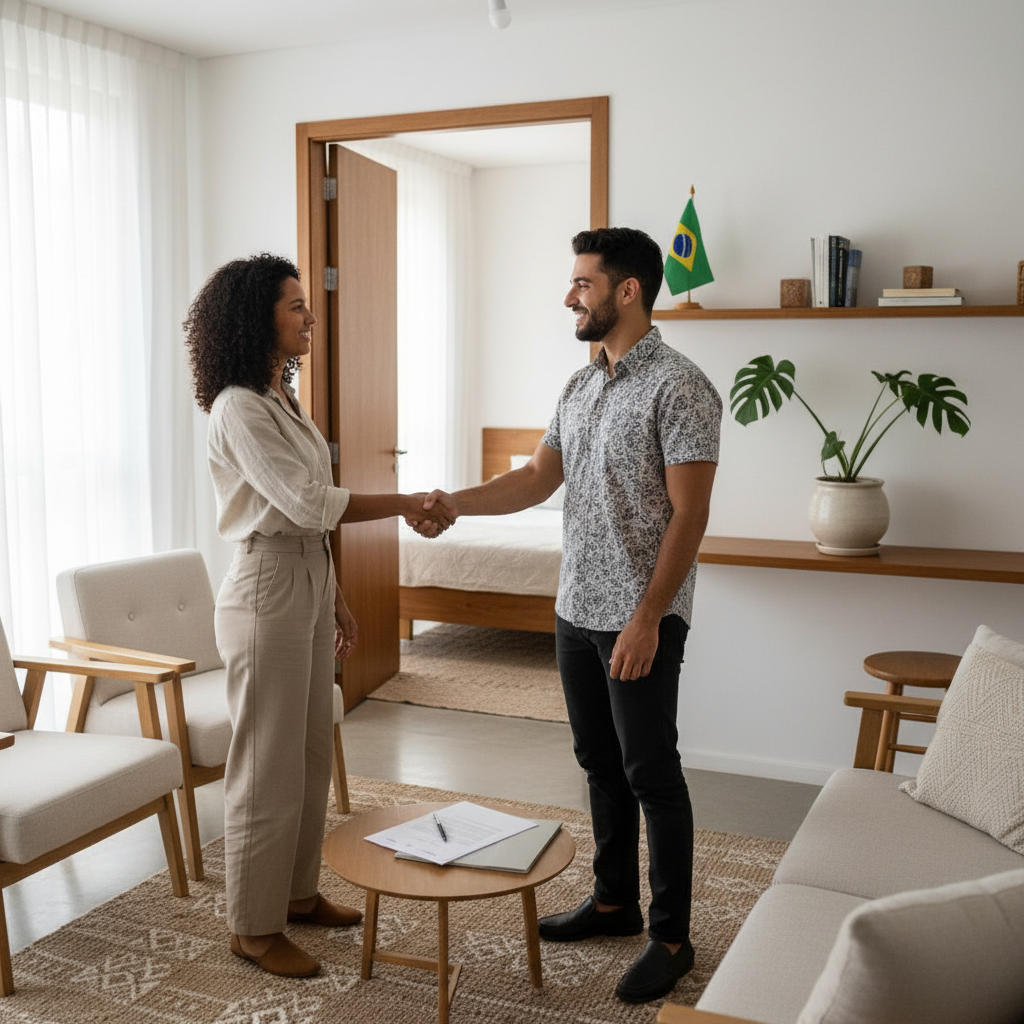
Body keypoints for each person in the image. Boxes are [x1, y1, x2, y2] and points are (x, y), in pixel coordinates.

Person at [416, 227, 721, 1003]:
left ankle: (671, 937)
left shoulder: (681, 386)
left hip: (638, 615)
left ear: (626, 291)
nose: (569, 297)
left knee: (651, 771)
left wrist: (650, 616)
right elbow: (534, 479)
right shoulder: (580, 385)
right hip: (574, 608)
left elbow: (689, 517)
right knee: (598, 763)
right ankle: (614, 902)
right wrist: (457, 503)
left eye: (582, 283)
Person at [183, 253, 454, 979]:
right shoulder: (239, 406)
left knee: (307, 753)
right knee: (266, 764)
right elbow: (306, 505)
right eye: (296, 306)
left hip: (303, 575)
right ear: (256, 319)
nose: (310, 316)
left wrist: (335, 599)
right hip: (265, 587)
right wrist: (404, 503)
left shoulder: (283, 400)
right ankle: (252, 926)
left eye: (308, 303)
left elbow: (305, 513)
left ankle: (297, 895)